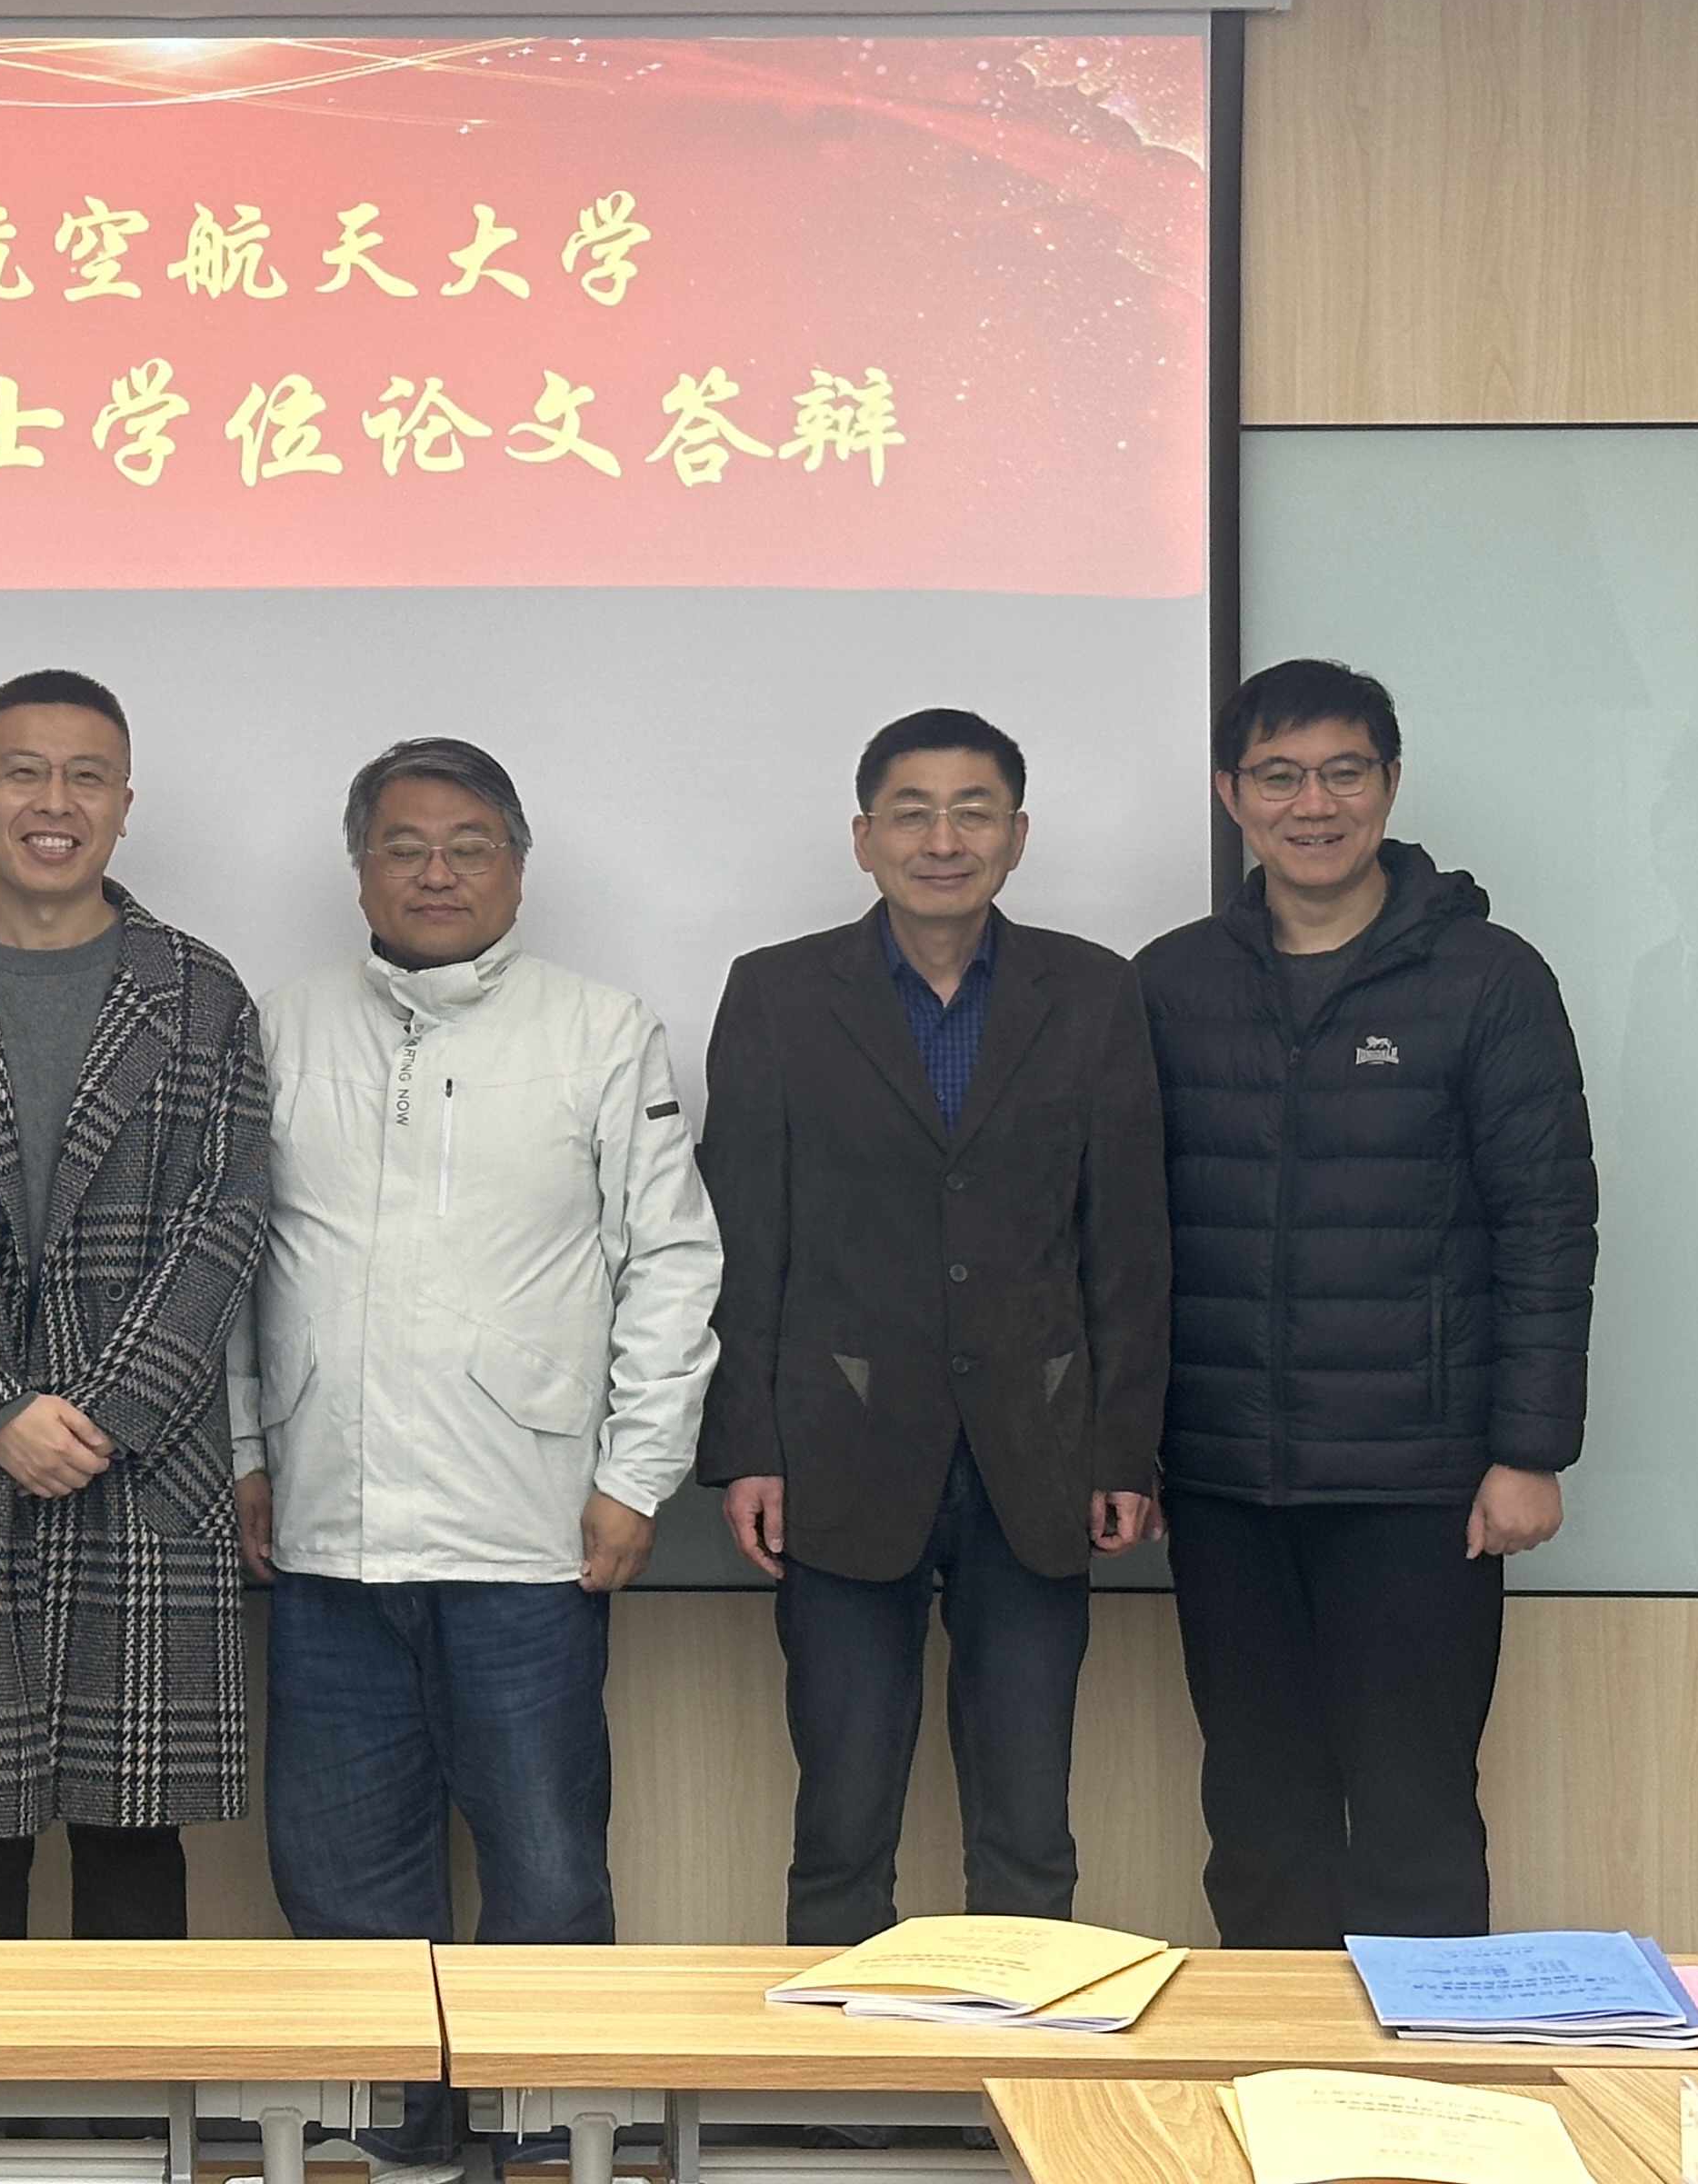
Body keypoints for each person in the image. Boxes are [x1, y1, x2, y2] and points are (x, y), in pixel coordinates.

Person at [233, 735, 721, 2168]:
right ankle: (400, 2138)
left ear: (518, 865)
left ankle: (546, 2138)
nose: (435, 872)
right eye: (404, 846)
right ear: (359, 869)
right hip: (327, 1530)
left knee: (547, 1866)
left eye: (468, 846)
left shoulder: (601, 1028)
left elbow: (670, 1262)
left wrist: (636, 1475)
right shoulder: (282, 1027)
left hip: (531, 1532)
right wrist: (247, 1451)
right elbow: (236, 1270)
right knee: (339, 1869)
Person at [695, 709, 1174, 1945]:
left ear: (1018, 835)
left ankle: (1020, 2051)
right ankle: (835, 2066)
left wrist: (1124, 1450)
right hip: (838, 1448)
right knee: (842, 1822)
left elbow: (1128, 1242)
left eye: (974, 812)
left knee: (1028, 1826)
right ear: (865, 838)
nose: (943, 839)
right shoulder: (778, 993)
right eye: (913, 812)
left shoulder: (1095, 991)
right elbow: (741, 1238)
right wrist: (746, 1447)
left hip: (1039, 1453)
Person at [1137, 658, 1595, 1946]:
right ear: (1232, 794)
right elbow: (1119, 1237)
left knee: (1413, 1815)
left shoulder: (1488, 979)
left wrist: (1530, 1452)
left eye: (1344, 772)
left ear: (1390, 784)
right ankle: (1277, 2064)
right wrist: (1123, 1449)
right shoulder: (1171, 985)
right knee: (1258, 1814)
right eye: (1280, 776)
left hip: (1420, 1483)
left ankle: (1427, 2070)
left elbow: (1547, 1224)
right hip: (1224, 1478)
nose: (1314, 804)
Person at [0, 668, 268, 1939]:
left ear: (125, 804)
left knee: (135, 1834)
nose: (54, 802)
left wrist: (102, 1413)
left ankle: (136, 2079)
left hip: (144, 1471)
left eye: (86, 776)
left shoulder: (201, 994)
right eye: (24, 772)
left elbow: (226, 1219)